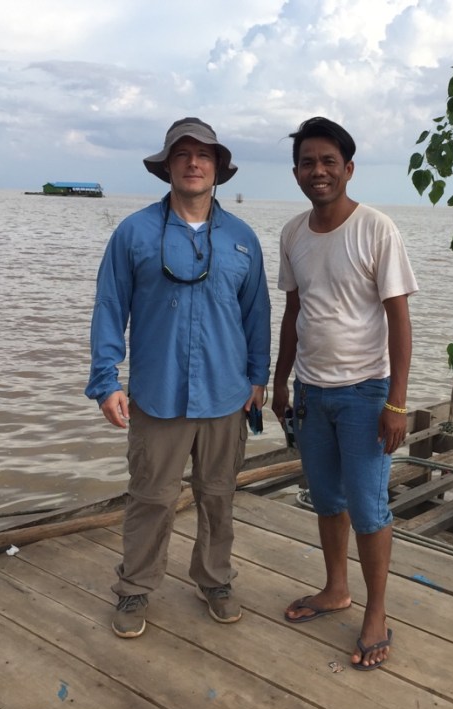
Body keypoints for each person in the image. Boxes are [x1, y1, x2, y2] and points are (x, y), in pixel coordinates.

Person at [86, 117, 270, 638]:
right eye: (183, 154)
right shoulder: (133, 232)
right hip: (157, 394)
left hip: (226, 394)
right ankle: (135, 587)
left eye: (204, 155)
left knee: (219, 496)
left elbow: (257, 314)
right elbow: (109, 308)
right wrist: (106, 381)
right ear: (167, 166)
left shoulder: (242, 239)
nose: (193, 163)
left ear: (217, 168)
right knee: (151, 498)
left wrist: (259, 378)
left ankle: (215, 579)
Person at [271, 117, 418, 670]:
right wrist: (280, 380)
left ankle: (376, 611)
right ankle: (336, 589)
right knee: (327, 500)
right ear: (296, 172)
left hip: (365, 392)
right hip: (311, 391)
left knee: (368, 507)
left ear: (348, 169)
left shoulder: (376, 229)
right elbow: (294, 312)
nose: (318, 171)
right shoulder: (293, 234)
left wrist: (397, 402)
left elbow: (399, 320)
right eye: (308, 162)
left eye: (329, 161)